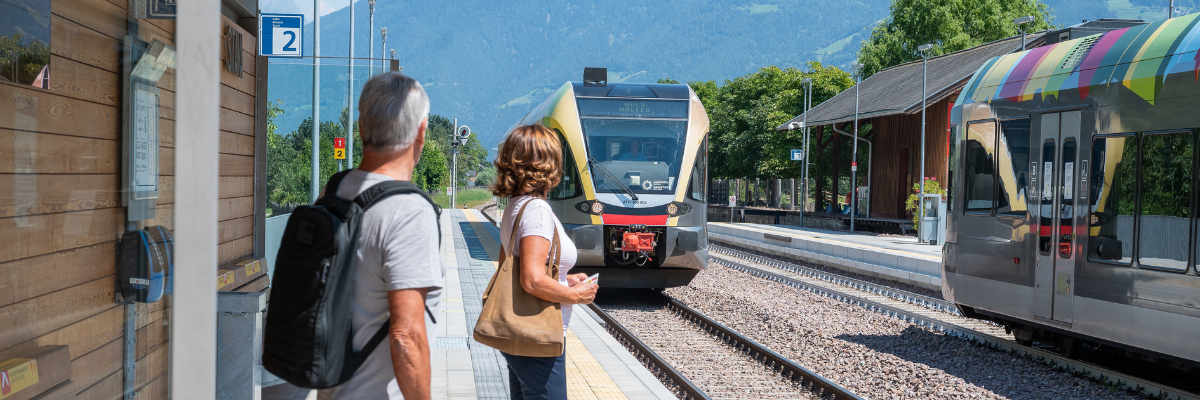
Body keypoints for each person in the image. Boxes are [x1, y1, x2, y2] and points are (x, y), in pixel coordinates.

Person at [317, 72, 442, 400]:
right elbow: (406, 337)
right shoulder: (410, 211)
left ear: (360, 128)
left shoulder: (333, 192)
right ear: (421, 132)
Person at [492, 125, 599, 400]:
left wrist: (564, 278)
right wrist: (575, 295)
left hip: (521, 334)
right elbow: (530, 279)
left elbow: (509, 264)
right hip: (537, 337)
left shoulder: (515, 206)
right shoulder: (537, 210)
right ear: (545, 163)